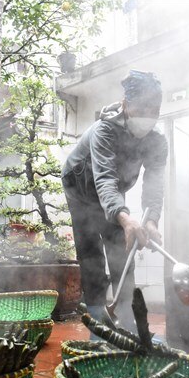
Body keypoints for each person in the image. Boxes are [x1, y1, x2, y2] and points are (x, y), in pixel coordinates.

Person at [61, 70, 167, 331]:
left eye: (154, 109)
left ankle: (128, 322)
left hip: (111, 193)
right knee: (91, 255)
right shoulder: (104, 131)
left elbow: (154, 184)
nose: (148, 115)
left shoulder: (157, 141)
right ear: (125, 105)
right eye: (141, 108)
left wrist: (151, 220)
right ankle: (98, 324)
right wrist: (123, 216)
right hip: (80, 189)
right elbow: (105, 178)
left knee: (122, 250)